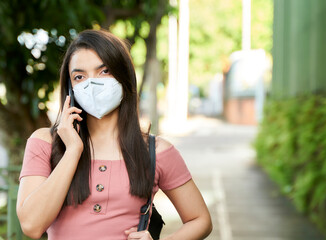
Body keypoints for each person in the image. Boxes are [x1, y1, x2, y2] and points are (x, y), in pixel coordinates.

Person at [16, 29, 212, 240]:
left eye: (104, 71)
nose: (92, 84)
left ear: (123, 76)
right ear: (70, 88)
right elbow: (31, 226)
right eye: (79, 76)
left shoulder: (156, 151)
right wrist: (73, 150)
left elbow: (200, 220)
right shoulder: (45, 142)